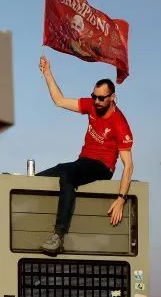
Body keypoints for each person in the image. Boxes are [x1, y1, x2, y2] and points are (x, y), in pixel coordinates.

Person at [36, 55, 135, 256]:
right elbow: (60, 101)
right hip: (83, 162)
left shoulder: (120, 124)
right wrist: (47, 73)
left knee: (68, 174)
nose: (96, 101)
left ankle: (58, 236)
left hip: (102, 166)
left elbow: (129, 165)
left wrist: (121, 199)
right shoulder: (91, 105)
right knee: (45, 177)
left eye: (101, 98)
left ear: (112, 98)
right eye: (94, 96)